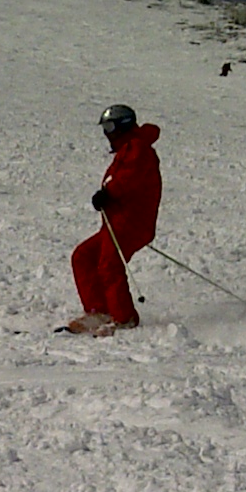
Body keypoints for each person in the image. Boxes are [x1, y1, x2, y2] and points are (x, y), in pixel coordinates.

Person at [66, 103, 161, 335]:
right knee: (84, 256)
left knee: (109, 265)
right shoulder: (128, 148)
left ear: (123, 125)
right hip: (117, 222)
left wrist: (108, 193)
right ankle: (99, 311)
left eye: (109, 127)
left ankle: (124, 318)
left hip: (131, 223)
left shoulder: (138, 149)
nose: (106, 134)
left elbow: (129, 178)